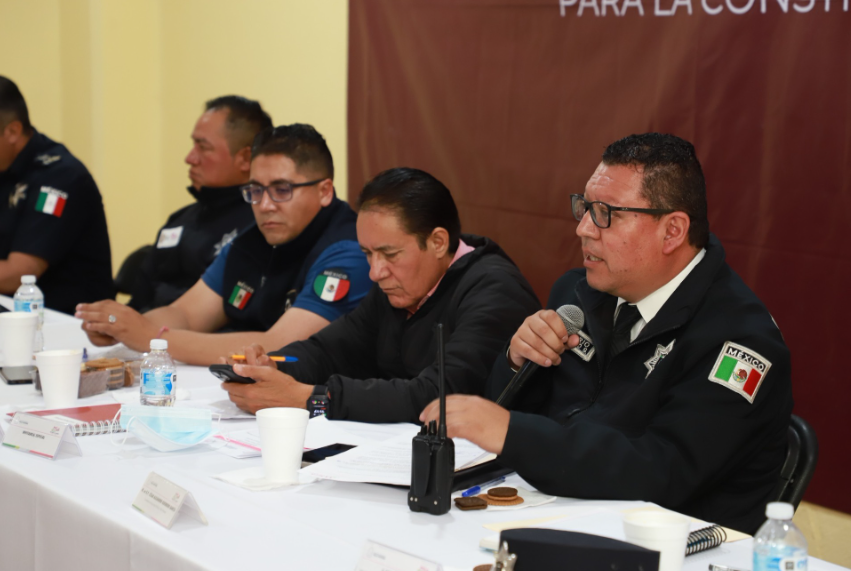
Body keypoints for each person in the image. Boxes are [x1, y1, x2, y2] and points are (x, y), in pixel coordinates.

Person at [420, 133, 792, 534]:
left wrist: (514, 435)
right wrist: (515, 362)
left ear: (672, 231)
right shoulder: (578, 294)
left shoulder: (739, 340)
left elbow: (663, 471)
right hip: (561, 512)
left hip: (673, 544)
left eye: (605, 213)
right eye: (584, 208)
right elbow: (514, 412)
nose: (583, 228)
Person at [222, 167, 542, 423]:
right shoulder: (394, 286)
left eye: (389, 254)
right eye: (368, 253)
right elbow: (330, 350)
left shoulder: (496, 292)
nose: (375, 272)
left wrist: (310, 399)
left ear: (438, 242)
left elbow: (438, 397)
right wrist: (273, 367)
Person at [76, 124, 371, 366]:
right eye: (256, 190)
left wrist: (151, 337)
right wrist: (121, 327)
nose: (265, 205)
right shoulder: (252, 240)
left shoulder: (350, 250)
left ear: (325, 191)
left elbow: (278, 346)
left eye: (282, 190)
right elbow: (186, 315)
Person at [0, 74, 114, 313]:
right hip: (0, 312)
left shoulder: (60, 177)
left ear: (12, 131)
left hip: (67, 324)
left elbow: (20, 272)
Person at [127, 95, 272, 311]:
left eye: (203, 147)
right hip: (149, 328)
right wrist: (110, 321)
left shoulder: (261, 224)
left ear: (245, 158)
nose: (190, 158)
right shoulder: (179, 220)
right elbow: (136, 304)